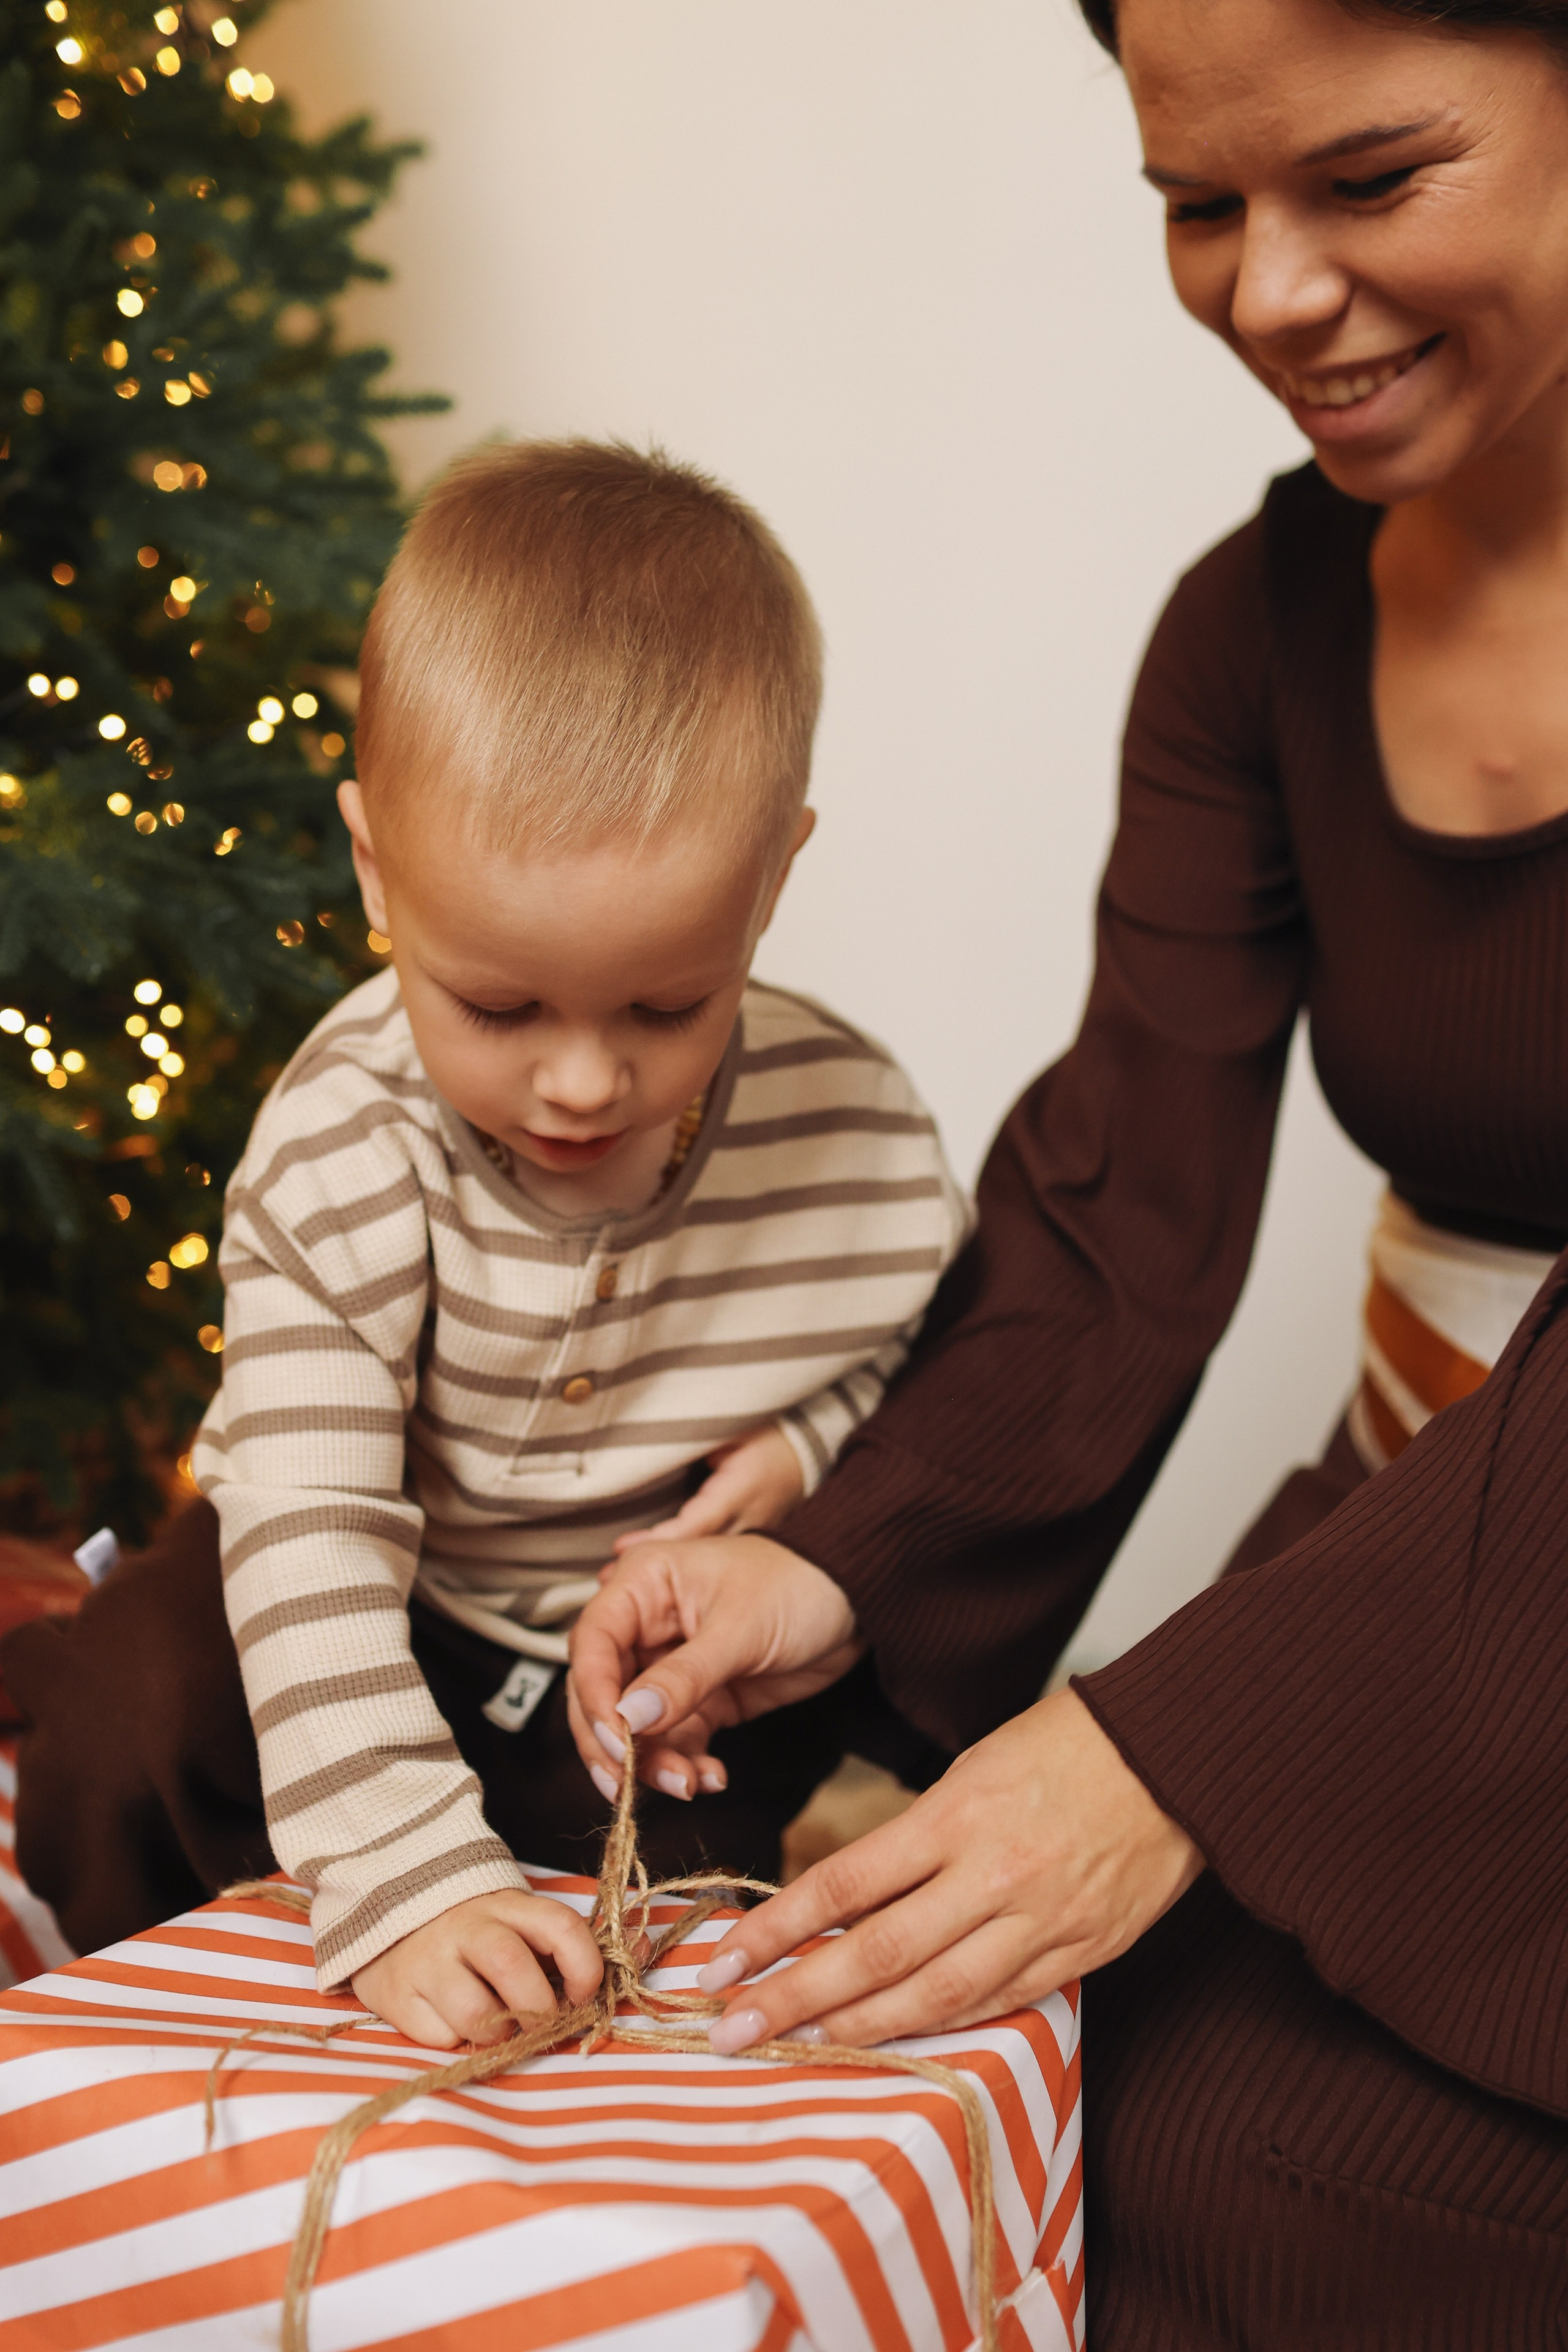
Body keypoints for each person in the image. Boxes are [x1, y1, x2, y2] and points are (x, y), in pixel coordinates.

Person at [564, 0, 1568, 2337]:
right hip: (1413, 1560)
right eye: (1197, 207)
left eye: (1373, 176)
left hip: (1473, 1617)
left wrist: (1182, 1740)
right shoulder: (1256, 629)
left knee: (1237, 2146)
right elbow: (1122, 1214)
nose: (1273, 293)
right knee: (1013, 2054)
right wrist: (839, 1567)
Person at [1, 439, 968, 2046]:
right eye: (498, 1005)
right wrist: (399, 1869)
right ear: (378, 870)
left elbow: (910, 1352)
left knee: (670, 1921)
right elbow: (309, 1534)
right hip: (360, 1585)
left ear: (772, 879)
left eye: (668, 1005)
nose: (584, 1082)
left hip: (625, 1665)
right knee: (138, 1701)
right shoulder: (344, 1147)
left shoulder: (851, 1125)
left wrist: (804, 1451)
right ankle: (92, 1961)